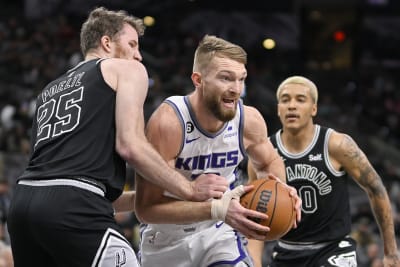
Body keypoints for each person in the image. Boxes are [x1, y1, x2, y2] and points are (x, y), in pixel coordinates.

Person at [7, 7, 230, 267]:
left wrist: (149, 197)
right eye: (132, 44)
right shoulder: (124, 70)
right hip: (72, 205)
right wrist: (188, 188)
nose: (138, 55)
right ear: (106, 42)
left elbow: (71, 180)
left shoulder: (48, 91)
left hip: (23, 206)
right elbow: (130, 145)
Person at [134, 35, 301, 267]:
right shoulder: (168, 123)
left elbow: (268, 162)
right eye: (225, 78)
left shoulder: (248, 120)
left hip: (219, 234)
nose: (236, 89)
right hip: (166, 239)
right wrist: (215, 209)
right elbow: (146, 209)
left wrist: (281, 188)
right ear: (198, 79)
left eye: (241, 79)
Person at [247, 75, 400, 267]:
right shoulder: (262, 153)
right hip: (286, 250)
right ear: (278, 109)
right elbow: (254, 218)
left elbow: (376, 189)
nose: (291, 105)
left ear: (314, 108)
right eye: (285, 100)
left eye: (300, 99)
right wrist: (254, 263)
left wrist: (391, 252)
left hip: (334, 249)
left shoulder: (337, 145)